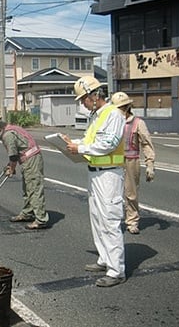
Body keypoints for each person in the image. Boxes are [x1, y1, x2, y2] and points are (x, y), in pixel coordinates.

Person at [65, 76, 126, 287]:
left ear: (95, 95)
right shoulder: (97, 116)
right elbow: (91, 141)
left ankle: (116, 270)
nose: (82, 103)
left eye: (84, 99)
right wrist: (73, 143)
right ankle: (104, 258)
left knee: (109, 220)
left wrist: (79, 148)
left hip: (109, 174)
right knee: (97, 218)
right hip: (95, 173)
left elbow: (108, 144)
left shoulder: (114, 114)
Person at [0, 112, 49, 230]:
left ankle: (41, 219)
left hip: (31, 159)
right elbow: (16, 153)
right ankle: (27, 213)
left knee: (34, 188)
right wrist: (10, 166)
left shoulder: (7, 135)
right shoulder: (11, 128)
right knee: (27, 188)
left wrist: (11, 169)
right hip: (28, 157)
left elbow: (13, 156)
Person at [111, 92, 156, 235]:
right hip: (113, 161)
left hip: (131, 161)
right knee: (112, 194)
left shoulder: (138, 123)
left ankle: (132, 221)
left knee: (131, 194)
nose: (121, 109)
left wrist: (150, 165)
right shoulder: (112, 122)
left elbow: (147, 144)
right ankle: (113, 222)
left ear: (128, 106)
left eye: (123, 107)